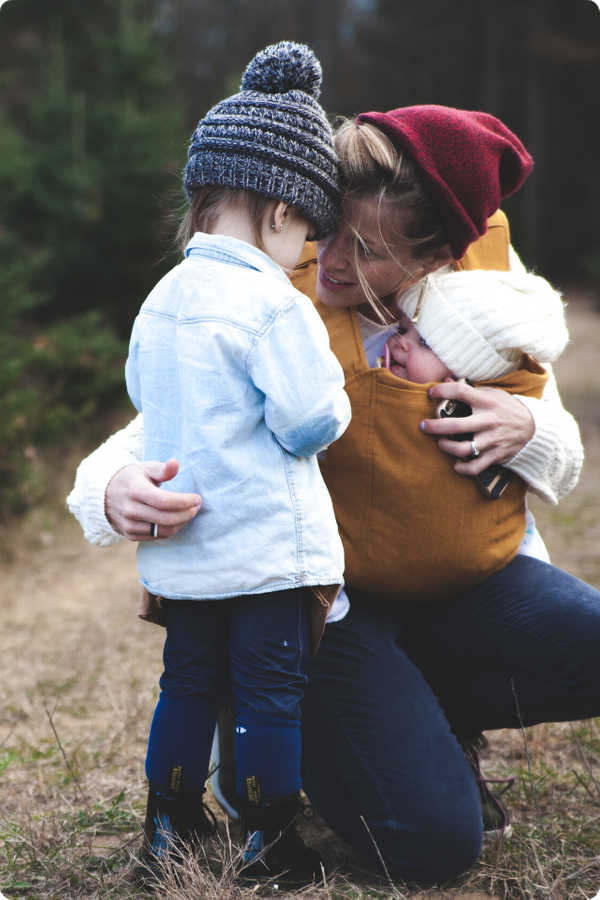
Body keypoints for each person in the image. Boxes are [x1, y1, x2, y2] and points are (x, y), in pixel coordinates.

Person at [68, 105, 600, 887]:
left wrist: (530, 429)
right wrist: (106, 488)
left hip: (462, 587)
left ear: (435, 259)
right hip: (324, 608)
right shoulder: (271, 287)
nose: (336, 263)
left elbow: (560, 444)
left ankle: (427, 712)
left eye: (372, 251)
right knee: (434, 846)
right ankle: (267, 731)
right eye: (331, 232)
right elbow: (170, 417)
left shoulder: (484, 299)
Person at [123, 41, 351, 888]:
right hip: (263, 554)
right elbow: (307, 422)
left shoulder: (162, 297)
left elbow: (146, 395)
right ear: (282, 210)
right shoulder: (271, 303)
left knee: (185, 683)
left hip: (185, 555)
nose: (306, 254)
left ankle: (168, 824)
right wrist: (334, 393)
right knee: (266, 697)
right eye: (309, 234)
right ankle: (267, 840)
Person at [370, 266, 569, 593]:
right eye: (403, 329)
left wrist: (532, 429)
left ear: (466, 375)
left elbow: (564, 467)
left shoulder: (489, 408)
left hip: (495, 566)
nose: (400, 343)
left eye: (426, 343)